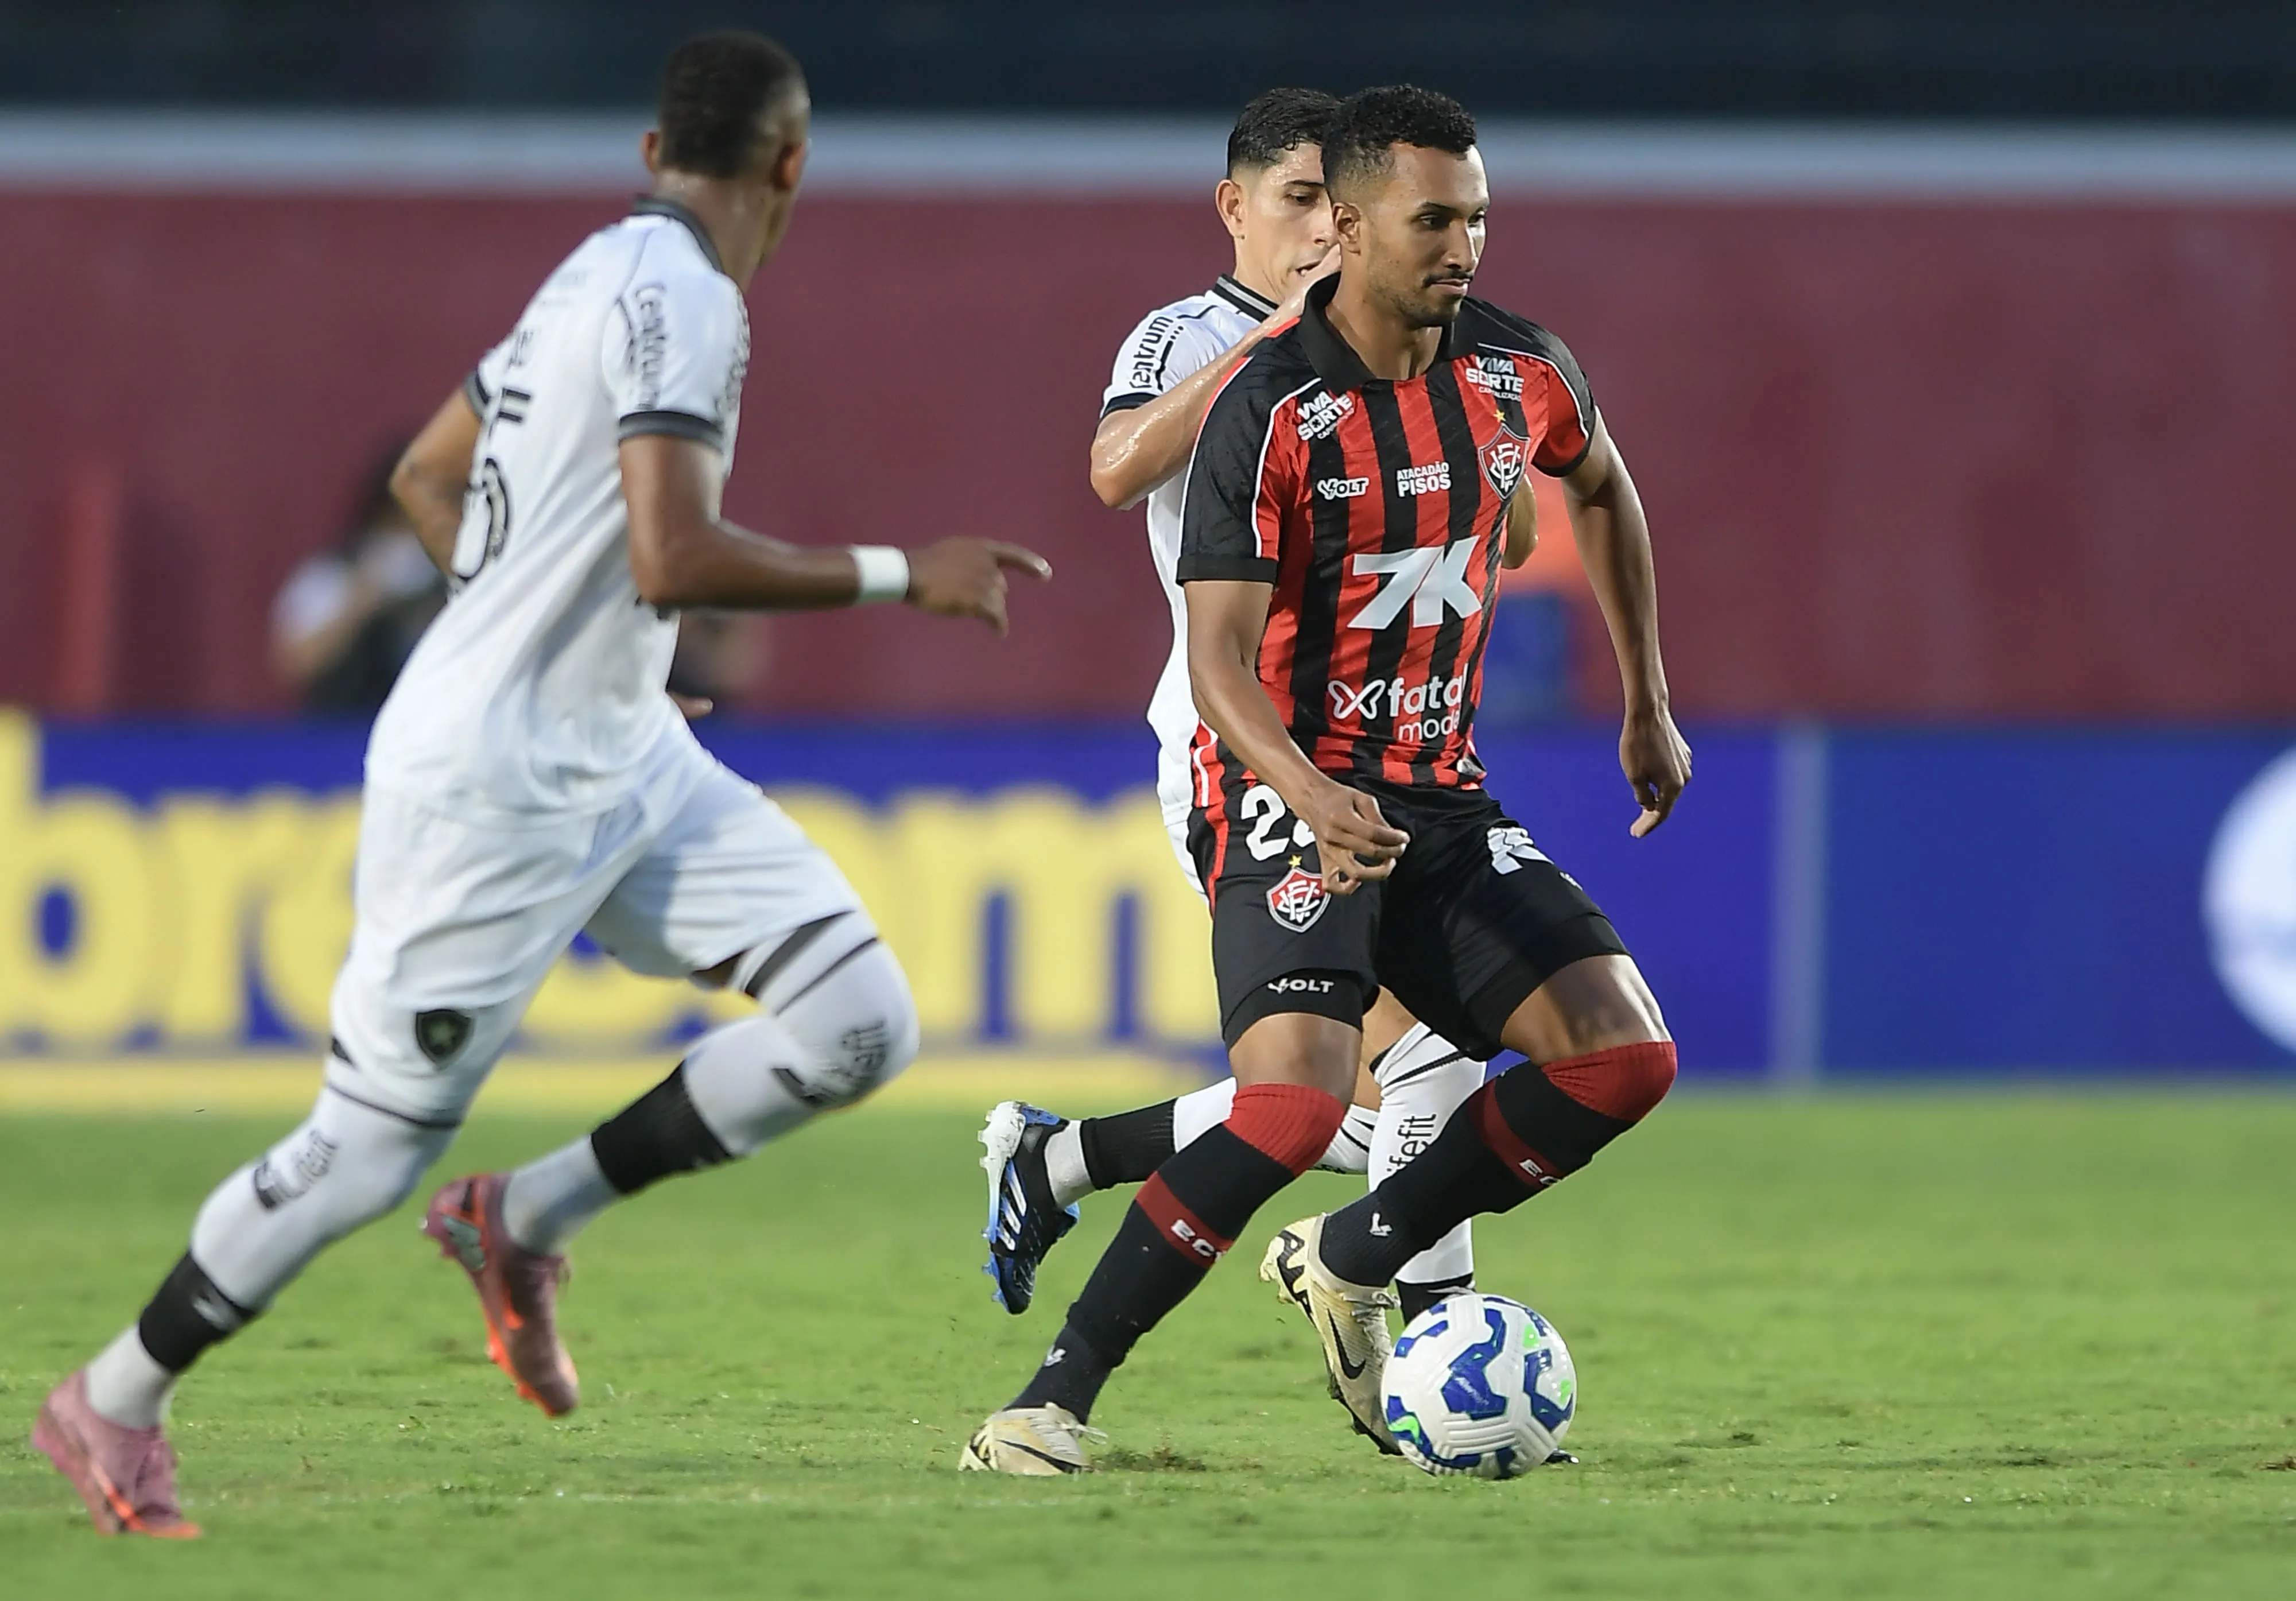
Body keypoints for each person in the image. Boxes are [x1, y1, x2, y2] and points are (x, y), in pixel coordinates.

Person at [32, 30, 1048, 1538]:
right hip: (493, 785)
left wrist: (582, 653)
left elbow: (426, 476)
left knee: (857, 1020)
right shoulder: (688, 302)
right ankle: (112, 1397)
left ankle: (522, 1216)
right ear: (791, 162)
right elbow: (671, 554)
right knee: (366, 1148)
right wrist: (910, 572)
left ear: (652, 155)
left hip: (618, 744)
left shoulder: (588, 275)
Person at [964, 84, 1688, 1474]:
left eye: (1476, 218)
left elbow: (1590, 486)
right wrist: (1302, 788)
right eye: (1433, 221)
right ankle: (1052, 1398)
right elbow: (1207, 641)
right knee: (1304, 1102)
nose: (1462, 245)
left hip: (1435, 787)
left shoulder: (1515, 367)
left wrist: (1644, 695)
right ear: (1342, 226)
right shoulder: (1255, 394)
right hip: (1265, 772)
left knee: (1613, 1057)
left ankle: (1346, 1254)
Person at [975, 88, 1488, 1334]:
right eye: (1297, 199)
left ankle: (1060, 1158)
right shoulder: (1187, 332)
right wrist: (1279, 337)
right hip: (1246, 750)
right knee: (1425, 1061)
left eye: (1337, 202)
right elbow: (1112, 469)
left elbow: (1511, 524)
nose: (1322, 227)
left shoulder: (1398, 340)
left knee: (1357, 1097)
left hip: (1393, 747)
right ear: (1235, 207)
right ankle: (1426, 1348)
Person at [270, 443, 447, 714]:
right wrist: (363, 601)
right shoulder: (334, 575)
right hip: (345, 724)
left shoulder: (451, 580)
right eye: (399, 518)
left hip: (427, 717)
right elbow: (296, 664)